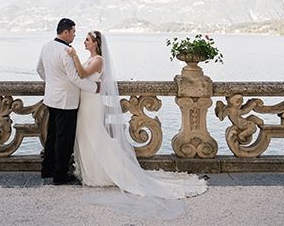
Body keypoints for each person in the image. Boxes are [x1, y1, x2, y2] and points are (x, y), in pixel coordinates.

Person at [65, 30, 209, 218]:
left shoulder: (98, 60)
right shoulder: (92, 58)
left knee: (94, 134)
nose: (84, 42)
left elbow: (82, 73)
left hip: (92, 103)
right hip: (86, 101)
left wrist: (73, 55)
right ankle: (91, 171)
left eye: (87, 40)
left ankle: (105, 173)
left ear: (96, 43)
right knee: (85, 135)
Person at [36, 18, 100, 185]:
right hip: (67, 101)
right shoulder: (66, 50)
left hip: (51, 98)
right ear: (65, 32)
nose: (74, 35)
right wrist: (95, 88)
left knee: (52, 136)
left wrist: (52, 83)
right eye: (73, 32)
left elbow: (39, 69)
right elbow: (74, 78)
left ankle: (46, 170)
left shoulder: (46, 46)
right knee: (64, 140)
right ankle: (60, 175)